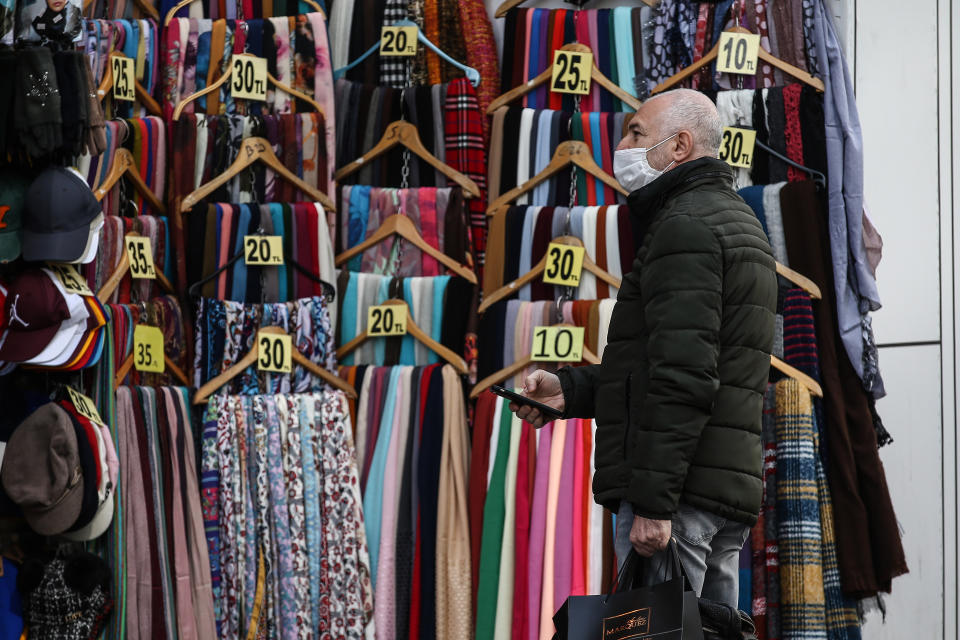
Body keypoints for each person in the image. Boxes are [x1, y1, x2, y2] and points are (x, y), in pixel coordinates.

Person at [508, 88, 778, 608]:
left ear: (679, 145)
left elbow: (682, 375)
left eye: (636, 132)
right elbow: (671, 362)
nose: (622, 145)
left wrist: (655, 505)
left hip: (676, 498)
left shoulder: (685, 226)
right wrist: (568, 391)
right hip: (714, 489)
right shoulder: (735, 221)